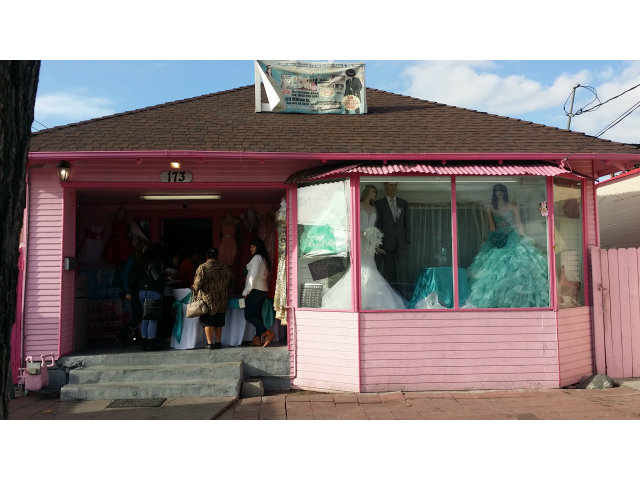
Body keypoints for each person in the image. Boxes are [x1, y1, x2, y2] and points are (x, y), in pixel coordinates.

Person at [322, 185, 406, 310]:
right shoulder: (358, 206)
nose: (375, 194)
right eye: (373, 191)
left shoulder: (374, 208)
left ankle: (370, 300)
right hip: (359, 240)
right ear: (367, 192)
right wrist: (363, 234)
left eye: (376, 192)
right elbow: (352, 225)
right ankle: (354, 299)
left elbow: (375, 226)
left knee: (371, 266)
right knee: (359, 267)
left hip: (369, 243)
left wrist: (374, 240)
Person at [465, 183, 549, 308]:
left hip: (513, 236)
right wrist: (493, 239)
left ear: (505, 193)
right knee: (495, 268)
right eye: (497, 191)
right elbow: (492, 226)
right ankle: (497, 301)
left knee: (518, 265)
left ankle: (519, 299)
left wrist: (522, 236)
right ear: (494, 193)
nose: (499, 193)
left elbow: (518, 223)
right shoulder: (490, 207)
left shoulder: (513, 206)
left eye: (501, 191)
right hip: (499, 236)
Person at [192, 247, 234, 349]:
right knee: (219, 320)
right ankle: (218, 342)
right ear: (217, 256)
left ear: (206, 256)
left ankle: (210, 343)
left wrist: (193, 287)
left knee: (208, 321)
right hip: (222, 298)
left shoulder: (202, 268)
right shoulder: (225, 268)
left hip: (208, 299)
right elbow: (231, 283)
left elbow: (197, 285)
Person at [374, 182, 410, 298]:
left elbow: (406, 223)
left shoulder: (403, 203)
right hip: (386, 243)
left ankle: (404, 294)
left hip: (401, 243)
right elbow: (378, 224)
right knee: (390, 271)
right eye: (390, 185)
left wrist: (407, 240)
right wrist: (379, 243)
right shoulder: (378, 204)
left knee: (403, 270)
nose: (393, 188)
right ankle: (394, 296)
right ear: (385, 186)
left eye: (394, 185)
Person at [242, 238, 274, 347]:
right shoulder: (264, 258)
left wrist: (246, 291)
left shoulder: (257, 258)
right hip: (263, 290)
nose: (250, 248)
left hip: (255, 290)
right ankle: (257, 339)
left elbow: (253, 276)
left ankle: (267, 333)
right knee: (257, 315)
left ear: (258, 247)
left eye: (252, 246)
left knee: (248, 315)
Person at [137, 243, 165, 350]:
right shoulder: (154, 262)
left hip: (142, 291)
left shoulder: (142, 261)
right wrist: (164, 276)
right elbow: (157, 277)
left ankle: (144, 343)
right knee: (153, 319)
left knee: (145, 318)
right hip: (152, 292)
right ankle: (151, 343)